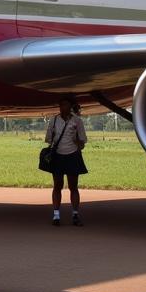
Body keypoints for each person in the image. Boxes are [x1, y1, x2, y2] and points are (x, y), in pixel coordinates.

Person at [43, 97, 88, 226]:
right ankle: (56, 215)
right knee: (57, 185)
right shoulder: (54, 120)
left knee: (73, 186)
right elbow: (49, 139)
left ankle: (75, 214)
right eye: (61, 105)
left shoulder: (77, 121)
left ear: (70, 106)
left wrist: (76, 142)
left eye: (66, 105)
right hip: (57, 156)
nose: (63, 107)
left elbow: (82, 142)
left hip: (73, 155)